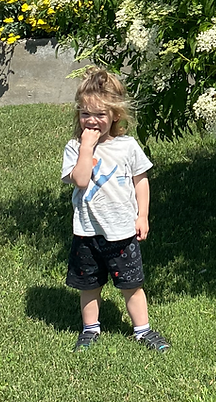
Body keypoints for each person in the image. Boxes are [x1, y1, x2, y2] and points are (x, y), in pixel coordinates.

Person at [62, 66, 170, 352]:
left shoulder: (127, 146)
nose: (92, 121)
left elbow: (141, 181)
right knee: (89, 286)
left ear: (115, 116)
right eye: (86, 114)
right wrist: (87, 149)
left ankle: (143, 330)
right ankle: (90, 329)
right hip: (87, 232)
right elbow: (81, 180)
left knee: (131, 285)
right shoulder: (75, 148)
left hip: (121, 231)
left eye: (100, 115)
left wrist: (142, 215)